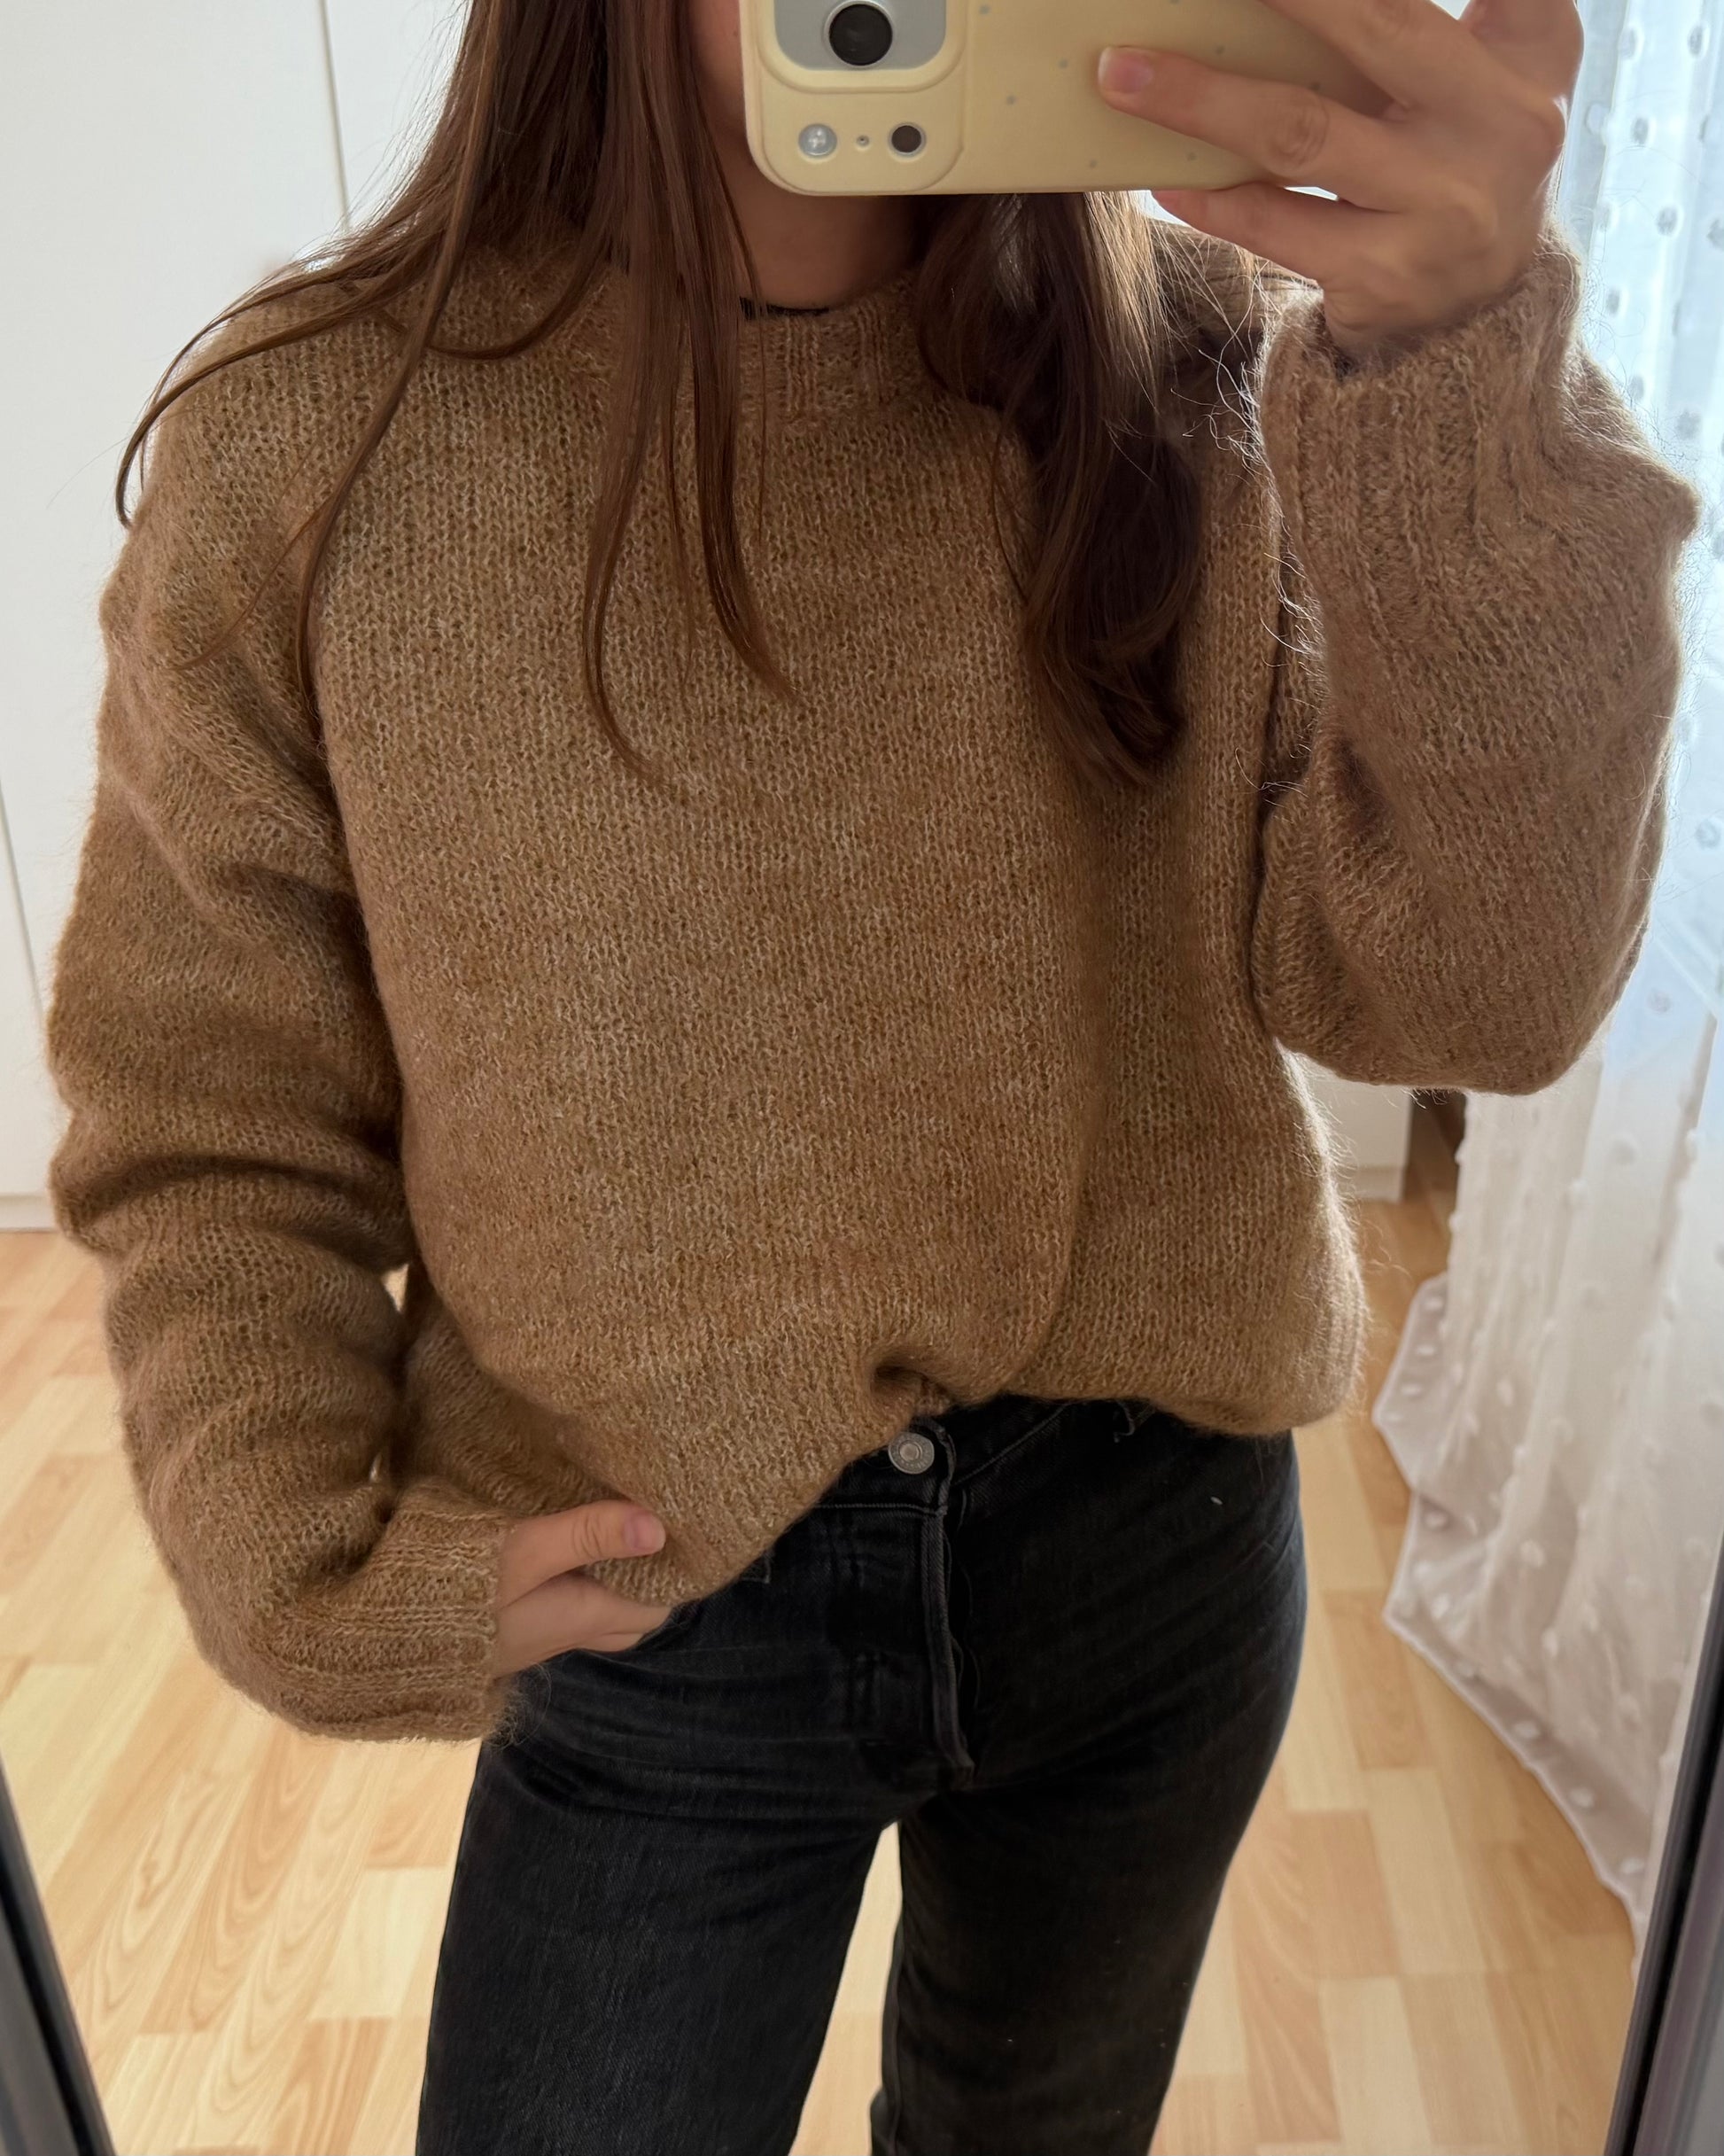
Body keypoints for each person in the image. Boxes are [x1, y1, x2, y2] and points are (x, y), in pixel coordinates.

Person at [41, 2, 1699, 2152]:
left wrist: (1466, 376)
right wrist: (284, 1529)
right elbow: (211, 1105)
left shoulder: (1224, 378)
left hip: (1151, 1554)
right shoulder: (315, 448)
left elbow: (1471, 1002)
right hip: (653, 1592)